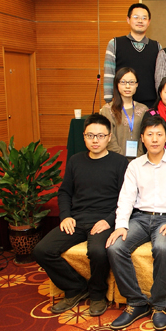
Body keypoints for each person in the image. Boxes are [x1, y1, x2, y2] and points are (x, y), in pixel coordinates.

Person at [33, 114, 128, 316]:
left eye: (100, 136)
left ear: (109, 137)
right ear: (84, 136)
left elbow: (126, 199)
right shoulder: (75, 161)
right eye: (90, 135)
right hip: (76, 219)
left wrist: (109, 221)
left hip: (104, 219)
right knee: (42, 250)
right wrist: (66, 216)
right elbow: (65, 192)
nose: (95, 140)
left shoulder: (120, 163)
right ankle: (76, 287)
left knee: (98, 251)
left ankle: (97, 294)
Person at [106, 115, 166, 331]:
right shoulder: (135, 165)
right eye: (150, 134)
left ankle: (159, 306)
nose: (154, 139)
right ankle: (136, 302)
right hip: (141, 217)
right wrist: (121, 225)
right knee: (115, 247)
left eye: (159, 134)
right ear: (142, 138)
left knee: (162, 247)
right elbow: (126, 198)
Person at [103, 3, 161, 107]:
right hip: (122, 104)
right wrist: (108, 101)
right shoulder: (114, 44)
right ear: (128, 20)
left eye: (144, 18)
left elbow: (160, 77)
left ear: (149, 22)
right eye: (136, 17)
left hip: (151, 104)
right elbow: (109, 73)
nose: (140, 21)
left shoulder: (157, 46)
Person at [100, 67, 148, 159]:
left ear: (137, 84)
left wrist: (138, 159)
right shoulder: (108, 109)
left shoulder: (143, 109)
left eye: (131, 82)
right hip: (115, 160)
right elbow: (109, 138)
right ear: (117, 84)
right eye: (123, 82)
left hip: (139, 161)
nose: (127, 86)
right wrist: (121, 160)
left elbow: (145, 136)